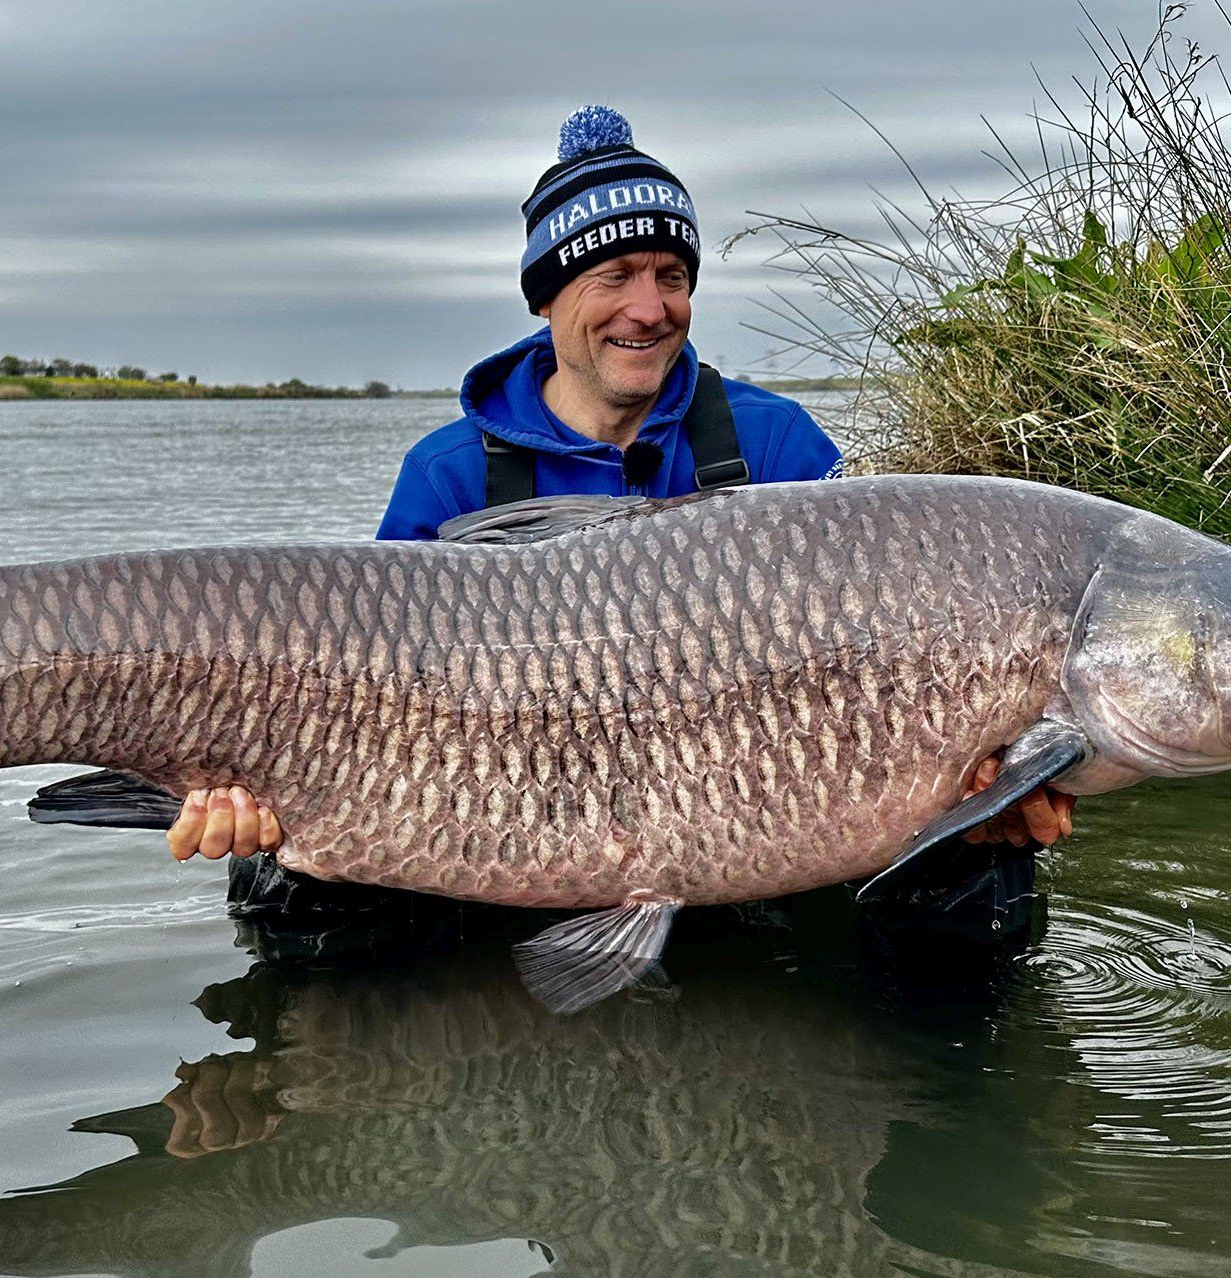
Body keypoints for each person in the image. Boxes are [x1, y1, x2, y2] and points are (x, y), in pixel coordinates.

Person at [169, 106, 1074, 956]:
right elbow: (367, 685)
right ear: (547, 297)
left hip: (757, 822)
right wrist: (258, 795)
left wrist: (970, 785)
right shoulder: (447, 474)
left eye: (671, 277)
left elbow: (890, 649)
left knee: (979, 879)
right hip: (498, 820)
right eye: (614, 276)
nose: (650, 307)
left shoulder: (776, 443)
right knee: (288, 883)